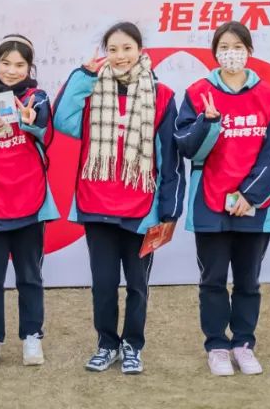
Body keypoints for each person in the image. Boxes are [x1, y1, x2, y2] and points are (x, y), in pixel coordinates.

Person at [52, 22, 184, 374]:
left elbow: (169, 158)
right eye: (112, 49)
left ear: (140, 50)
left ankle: (133, 345)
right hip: (96, 206)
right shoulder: (93, 91)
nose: (120, 55)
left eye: (127, 48)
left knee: (137, 285)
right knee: (103, 285)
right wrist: (83, 75)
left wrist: (169, 210)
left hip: (141, 210)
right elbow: (62, 120)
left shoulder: (162, 95)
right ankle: (106, 343)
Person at [174, 22, 270, 376]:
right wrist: (207, 123)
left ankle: (243, 343)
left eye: (238, 46)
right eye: (224, 47)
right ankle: (217, 346)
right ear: (215, 52)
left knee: (248, 281)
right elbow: (185, 147)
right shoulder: (198, 93)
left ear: (249, 51)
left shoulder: (269, 95)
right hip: (209, 203)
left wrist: (250, 195)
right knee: (212, 279)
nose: (231, 53)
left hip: (255, 205)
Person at [0, 35, 59, 369]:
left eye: (20, 64)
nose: (11, 70)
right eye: (5, 63)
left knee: (30, 277)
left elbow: (48, 134)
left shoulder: (39, 99)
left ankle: (32, 336)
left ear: (30, 67)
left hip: (28, 203)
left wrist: (32, 123)